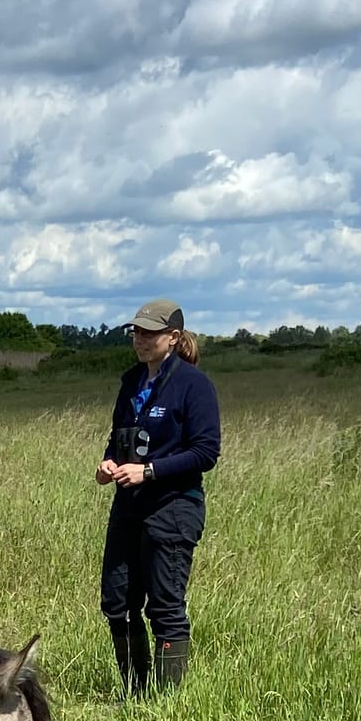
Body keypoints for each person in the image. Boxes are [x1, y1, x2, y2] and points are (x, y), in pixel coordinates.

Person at [96, 296, 221, 693]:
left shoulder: (193, 385)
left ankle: (165, 704)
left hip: (173, 508)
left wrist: (150, 471)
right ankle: (135, 691)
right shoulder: (131, 382)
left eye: (150, 332)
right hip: (128, 508)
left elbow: (205, 452)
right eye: (136, 331)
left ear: (173, 336)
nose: (141, 339)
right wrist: (109, 463)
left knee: (165, 607)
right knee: (117, 603)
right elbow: (118, 439)